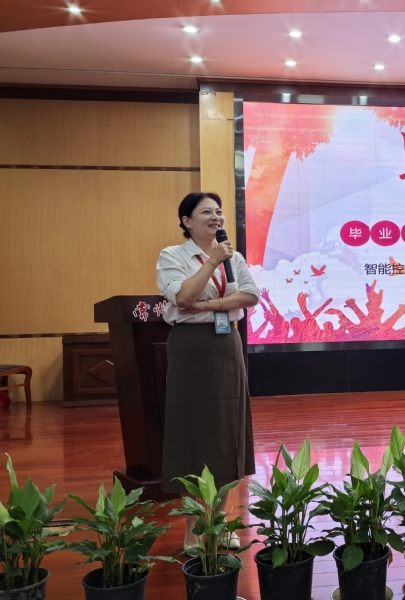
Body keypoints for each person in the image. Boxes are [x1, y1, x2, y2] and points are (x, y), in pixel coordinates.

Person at [156, 191, 260, 548]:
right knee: (192, 433)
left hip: (226, 344)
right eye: (206, 212)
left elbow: (250, 295)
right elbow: (183, 297)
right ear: (187, 221)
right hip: (190, 348)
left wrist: (209, 304)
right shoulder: (172, 256)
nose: (216, 217)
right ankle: (193, 528)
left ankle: (218, 521)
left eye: (219, 211)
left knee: (226, 433)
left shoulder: (235, 257)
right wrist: (212, 262)